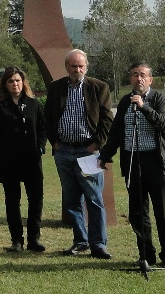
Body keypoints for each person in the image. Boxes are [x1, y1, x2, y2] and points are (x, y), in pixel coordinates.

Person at [100, 62, 165, 273]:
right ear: (130, 79)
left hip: (155, 162)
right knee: (137, 213)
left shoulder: (159, 99)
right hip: (132, 162)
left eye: (143, 75)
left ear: (150, 79)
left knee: (163, 211)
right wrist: (104, 156)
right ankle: (146, 255)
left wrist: (144, 107)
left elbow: (163, 123)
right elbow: (116, 133)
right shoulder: (125, 102)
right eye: (134, 75)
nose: (138, 79)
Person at [44, 49, 114, 259]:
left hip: (88, 152)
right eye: (73, 66)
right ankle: (80, 241)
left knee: (94, 199)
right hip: (64, 151)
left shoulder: (98, 87)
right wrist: (54, 143)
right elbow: (48, 116)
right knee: (72, 201)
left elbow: (106, 119)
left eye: (81, 66)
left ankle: (98, 244)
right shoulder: (56, 87)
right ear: (67, 67)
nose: (77, 70)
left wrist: (97, 144)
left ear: (86, 67)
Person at [0, 66, 47, 252]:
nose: (15, 84)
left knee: (36, 200)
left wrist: (41, 146)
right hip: (8, 162)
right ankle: (16, 241)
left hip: (32, 160)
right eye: (11, 81)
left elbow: (43, 128)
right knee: (12, 201)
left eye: (18, 80)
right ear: (5, 84)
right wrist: (0, 153)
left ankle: (33, 239)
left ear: (23, 82)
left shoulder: (33, 104)